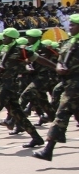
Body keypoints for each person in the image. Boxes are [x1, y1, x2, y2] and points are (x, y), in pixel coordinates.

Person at [0, 27, 54, 154]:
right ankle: (36, 138)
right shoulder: (3, 49)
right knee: (17, 112)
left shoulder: (21, 50)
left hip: (10, 85)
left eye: (5, 37)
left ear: (12, 38)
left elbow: (38, 58)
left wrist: (54, 66)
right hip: (1, 83)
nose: (3, 39)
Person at [33, 13, 79, 160]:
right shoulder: (68, 42)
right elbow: (60, 59)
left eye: (73, 25)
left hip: (76, 84)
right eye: (70, 24)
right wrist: (59, 67)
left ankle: (48, 149)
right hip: (67, 82)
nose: (70, 27)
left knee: (62, 113)